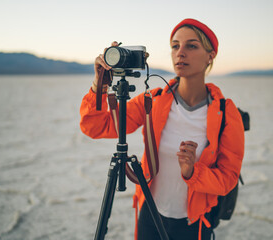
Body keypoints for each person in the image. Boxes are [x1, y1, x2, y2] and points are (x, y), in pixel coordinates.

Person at [80, 18, 244, 240]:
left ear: (210, 56)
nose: (180, 52)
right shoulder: (154, 101)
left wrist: (193, 172)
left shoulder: (225, 113)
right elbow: (96, 126)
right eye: (175, 46)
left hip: (193, 223)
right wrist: (98, 85)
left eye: (191, 45)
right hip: (150, 214)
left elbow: (228, 179)